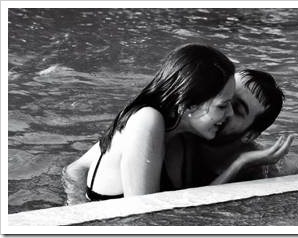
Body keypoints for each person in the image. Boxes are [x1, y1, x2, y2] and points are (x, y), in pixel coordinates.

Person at [63, 43, 236, 203]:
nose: (230, 113)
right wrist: (78, 210)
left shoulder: (178, 133)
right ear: (188, 105)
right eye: (222, 105)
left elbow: (76, 168)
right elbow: (143, 216)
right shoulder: (146, 120)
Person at [181, 69, 294, 188]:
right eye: (223, 93)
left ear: (249, 136)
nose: (219, 104)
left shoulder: (257, 170)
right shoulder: (178, 128)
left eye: (236, 108)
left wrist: (242, 162)